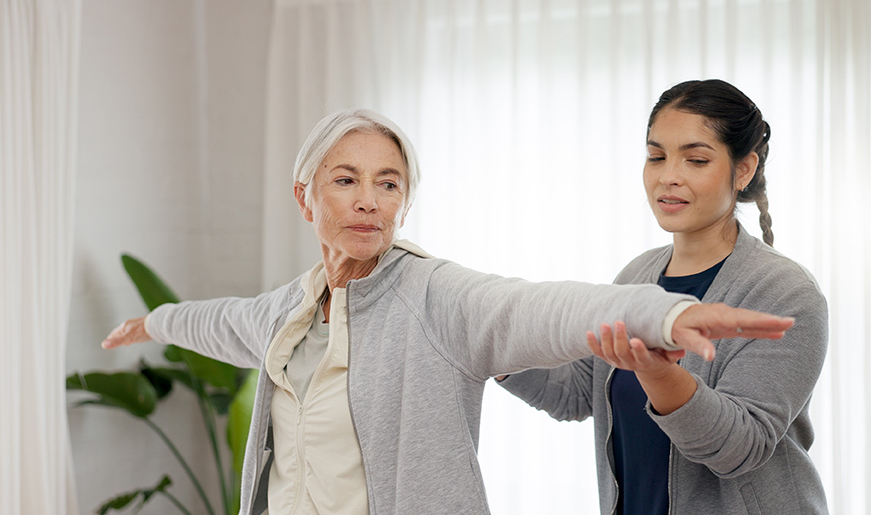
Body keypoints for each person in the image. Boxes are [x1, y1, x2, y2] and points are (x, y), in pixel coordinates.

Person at [102, 108, 795, 515]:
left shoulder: (434, 295)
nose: (369, 199)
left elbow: (541, 305)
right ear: (304, 197)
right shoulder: (286, 310)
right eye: (345, 180)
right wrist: (155, 320)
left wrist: (660, 314)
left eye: (388, 183)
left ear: (405, 200)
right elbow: (218, 321)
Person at [500, 80, 829, 514]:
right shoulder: (637, 276)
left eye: (695, 159)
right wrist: (488, 342)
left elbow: (739, 448)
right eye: (656, 156)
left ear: (744, 169)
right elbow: (578, 392)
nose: (667, 176)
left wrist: (656, 373)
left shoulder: (784, 293)